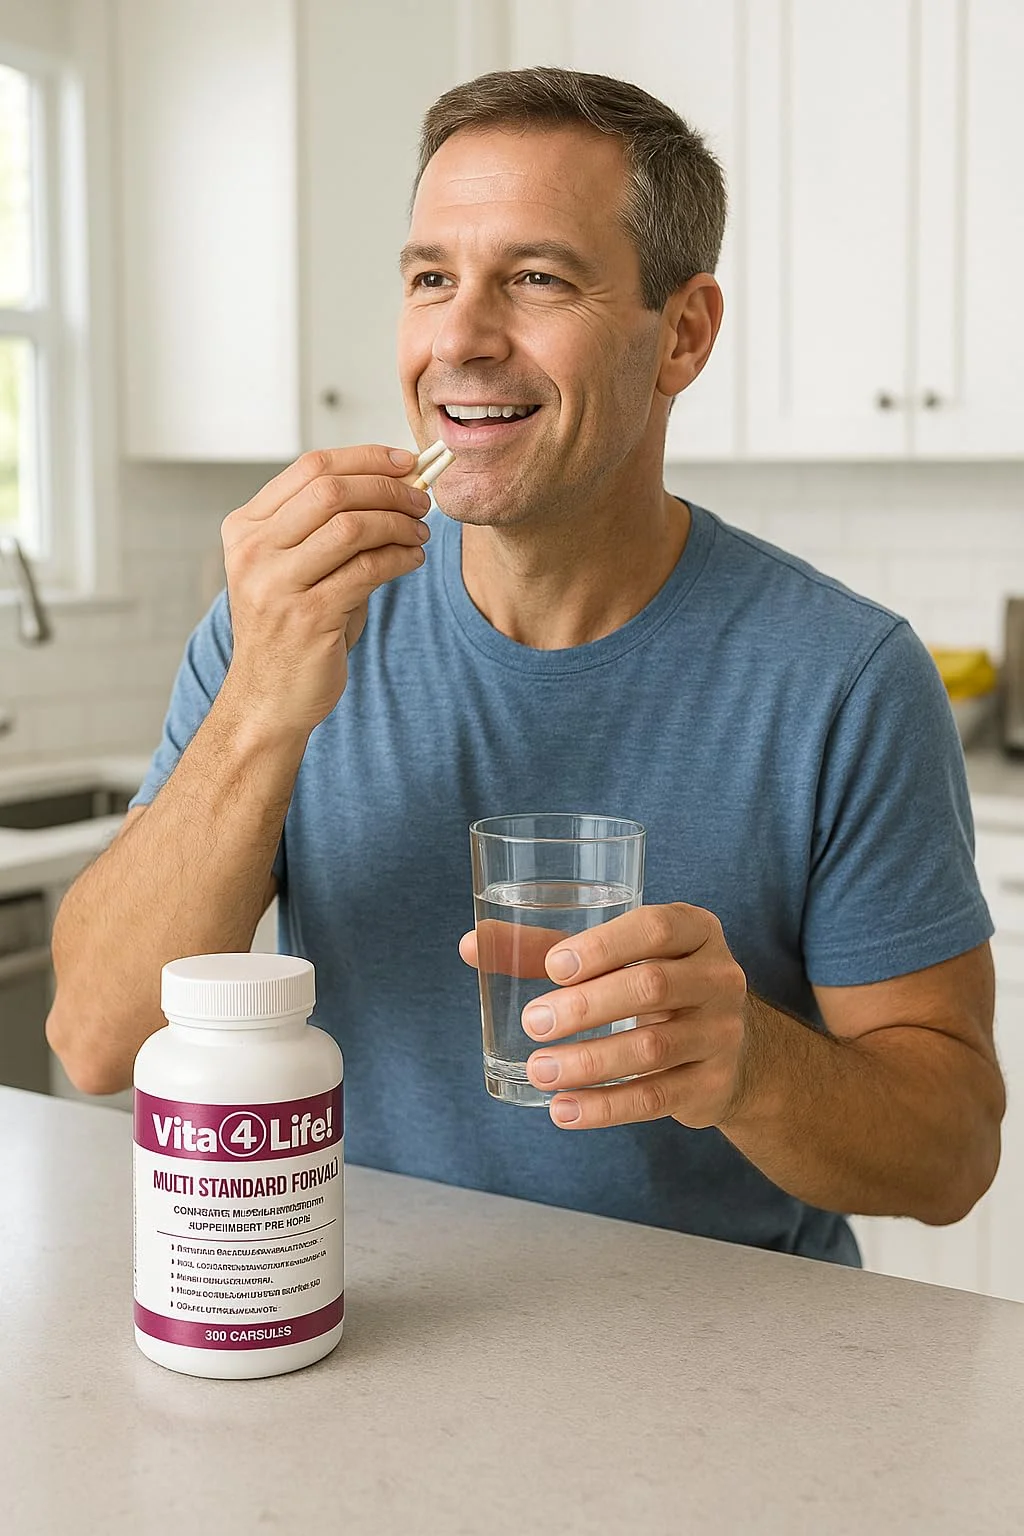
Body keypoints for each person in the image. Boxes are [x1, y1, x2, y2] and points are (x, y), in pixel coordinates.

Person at [47, 68, 1002, 1266]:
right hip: (377, 1318)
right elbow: (96, 1039)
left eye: (537, 278)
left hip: (727, 1348)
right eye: (430, 279)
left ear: (683, 333)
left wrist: (745, 1062)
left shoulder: (843, 678)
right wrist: (259, 706)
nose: (458, 338)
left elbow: (951, 1158)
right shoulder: (285, 626)